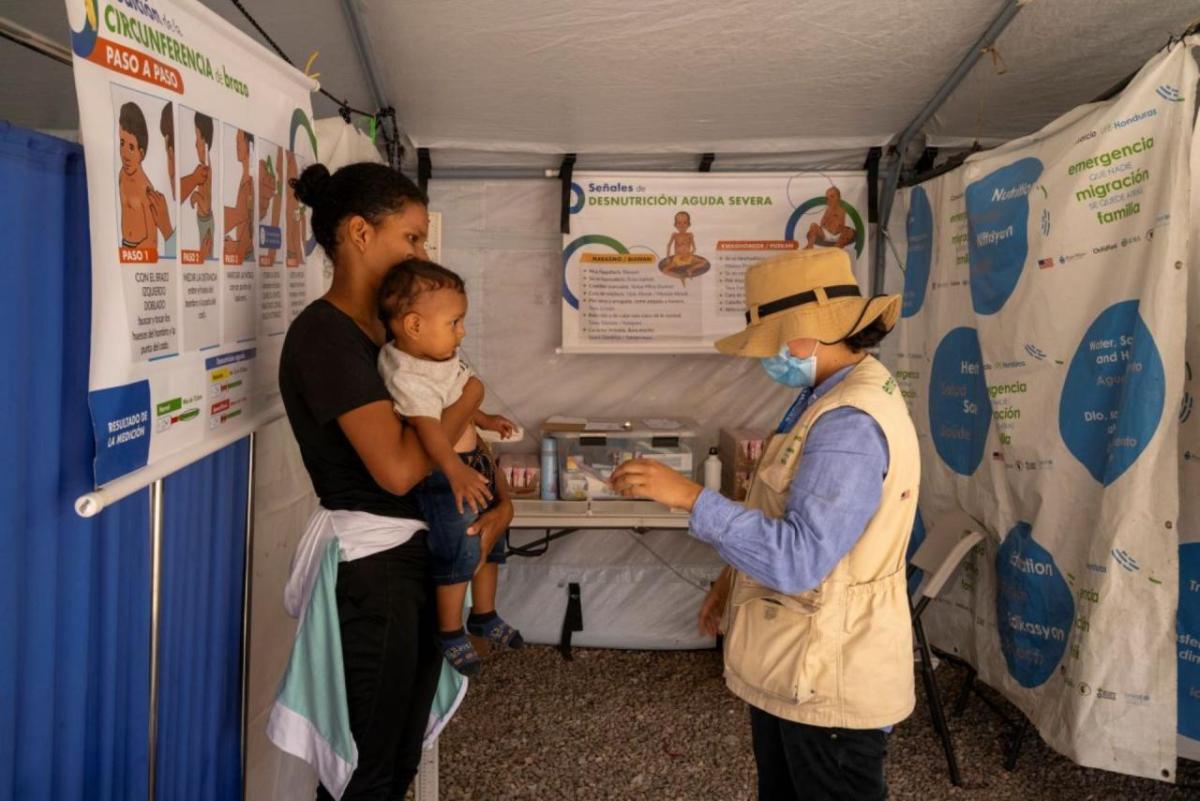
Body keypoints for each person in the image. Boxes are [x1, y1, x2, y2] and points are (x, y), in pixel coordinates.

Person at [611, 247, 917, 801]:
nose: (766, 358)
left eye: (771, 342)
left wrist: (689, 498)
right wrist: (729, 582)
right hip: (800, 662)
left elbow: (800, 560)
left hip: (829, 675)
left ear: (807, 334)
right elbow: (785, 510)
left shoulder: (848, 421)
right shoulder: (823, 395)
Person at [276, 161, 513, 801]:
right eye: (411, 237)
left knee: (400, 754)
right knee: (369, 765)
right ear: (359, 232)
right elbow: (401, 467)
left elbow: (456, 441)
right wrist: (472, 393)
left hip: (417, 557)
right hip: (376, 569)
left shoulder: (389, 334)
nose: (421, 253)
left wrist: (502, 501)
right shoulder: (323, 339)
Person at [376, 259, 523, 676]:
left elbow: (459, 395)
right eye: (455, 322)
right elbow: (430, 431)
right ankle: (450, 630)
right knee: (460, 545)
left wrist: (485, 418)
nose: (463, 332)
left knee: (493, 539)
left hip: (469, 463)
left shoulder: (438, 357)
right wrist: (455, 471)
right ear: (414, 325)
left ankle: (485, 614)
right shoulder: (407, 374)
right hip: (447, 474)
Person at [116, 102, 169, 252]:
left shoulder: (145, 189)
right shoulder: (121, 175)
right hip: (125, 246)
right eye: (122, 143)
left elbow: (152, 240)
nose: (125, 154)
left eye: (131, 147)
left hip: (140, 252)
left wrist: (136, 255)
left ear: (142, 153)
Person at [223, 128, 254, 263]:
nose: (236, 147)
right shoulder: (245, 177)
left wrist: (235, 247)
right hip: (244, 253)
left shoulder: (250, 181)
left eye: (239, 142)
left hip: (245, 255)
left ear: (249, 145)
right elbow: (244, 218)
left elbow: (248, 223)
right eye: (236, 142)